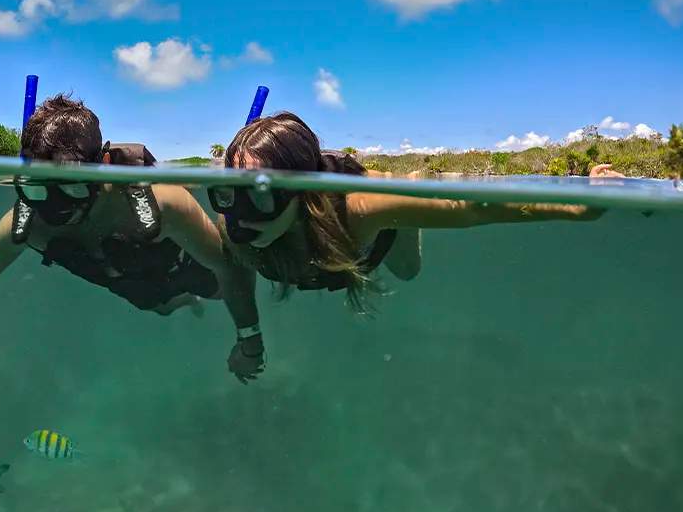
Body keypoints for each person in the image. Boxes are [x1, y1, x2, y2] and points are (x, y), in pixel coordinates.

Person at [0, 94, 225, 425]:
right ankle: (184, 302)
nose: (57, 205)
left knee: (217, 286)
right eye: (42, 186)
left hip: (182, 262)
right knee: (160, 306)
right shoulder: (28, 220)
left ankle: (194, 290)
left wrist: (248, 334)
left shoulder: (151, 197)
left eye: (70, 184)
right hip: (135, 286)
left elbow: (227, 266)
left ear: (100, 165)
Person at [209, 111, 619, 385]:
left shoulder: (360, 208)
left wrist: (577, 204)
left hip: (372, 238)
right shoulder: (232, 226)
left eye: (260, 196)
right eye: (230, 194)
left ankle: (405, 211)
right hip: (314, 257)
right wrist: (249, 337)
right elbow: (235, 274)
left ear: (302, 193)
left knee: (409, 271)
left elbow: (472, 207)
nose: (242, 216)